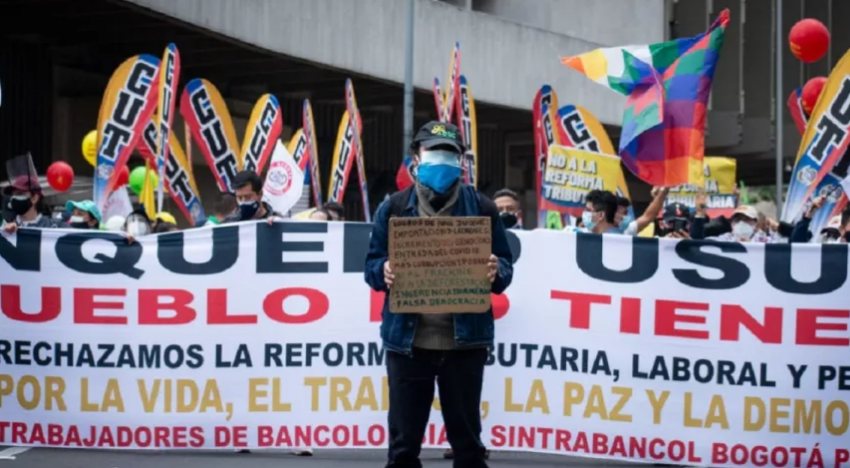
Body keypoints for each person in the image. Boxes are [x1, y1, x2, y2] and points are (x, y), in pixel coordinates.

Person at [365, 121, 513, 468]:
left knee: (468, 448)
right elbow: (370, 267)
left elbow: (506, 268)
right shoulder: (394, 207)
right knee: (403, 447)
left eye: (449, 153)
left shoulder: (483, 207)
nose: (442, 160)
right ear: (416, 157)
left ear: (461, 161)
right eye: (433, 152)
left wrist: (497, 270)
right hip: (408, 343)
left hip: (465, 343)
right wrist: (383, 270)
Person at [706, 205, 773, 243]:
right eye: (737, 220)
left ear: (756, 224)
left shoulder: (762, 240)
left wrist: (752, 246)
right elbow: (706, 242)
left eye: (746, 219)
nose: (741, 222)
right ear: (731, 224)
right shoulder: (727, 238)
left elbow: (777, 247)